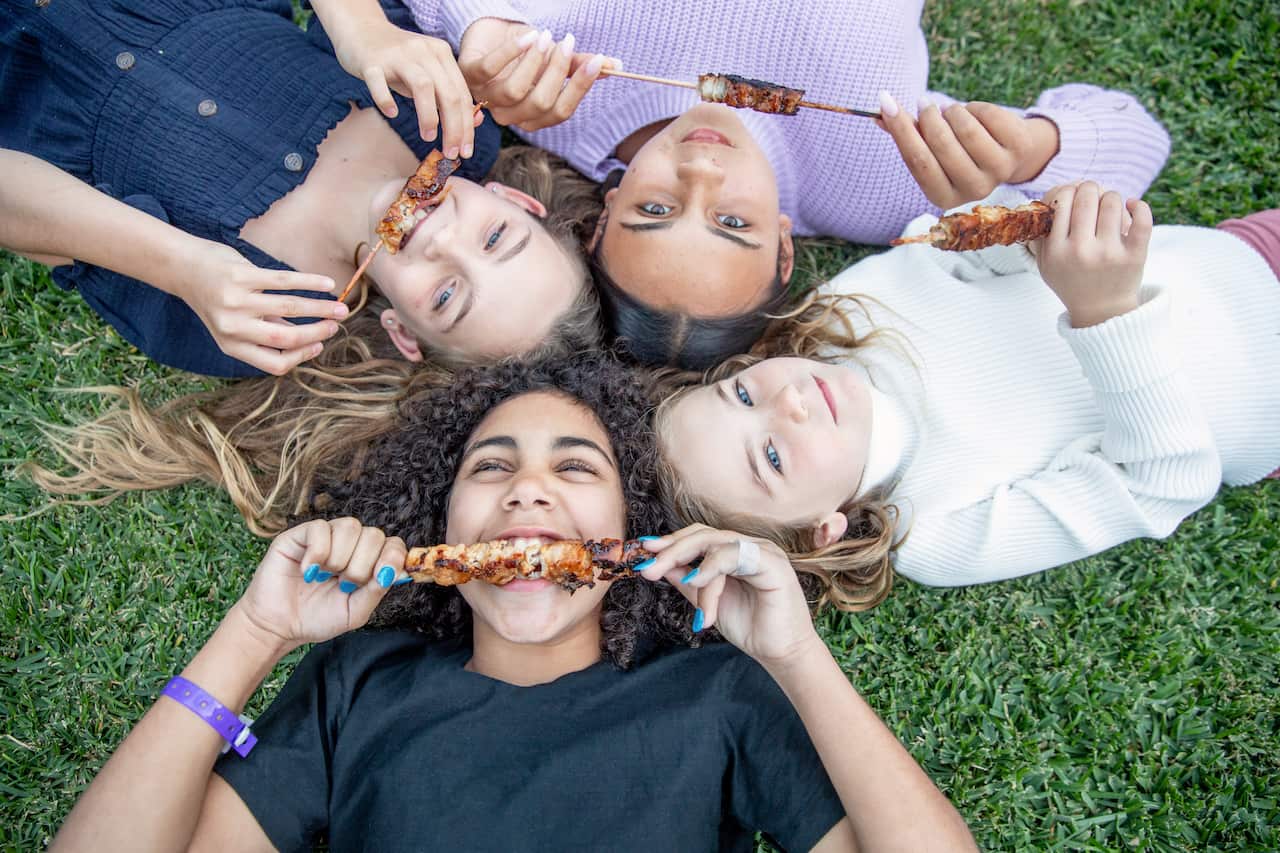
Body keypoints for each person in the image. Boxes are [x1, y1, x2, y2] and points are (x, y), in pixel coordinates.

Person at [47, 354, 978, 852]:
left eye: (576, 469)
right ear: (443, 521)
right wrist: (253, 632)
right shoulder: (356, 684)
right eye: (490, 468)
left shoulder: (720, 696)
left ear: (632, 531)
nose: (528, 490)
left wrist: (797, 657)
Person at [387, 0, 1172, 366]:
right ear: (786, 249)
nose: (702, 170)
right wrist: (1033, 149)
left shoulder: (552, 97)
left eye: (656, 208)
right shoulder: (879, 189)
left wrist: (477, 24)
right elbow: (1137, 143)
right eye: (734, 223)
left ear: (603, 214)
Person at [650, 182, 1280, 596]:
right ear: (823, 530)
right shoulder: (936, 534)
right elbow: (1162, 482)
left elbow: (965, 248)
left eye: (742, 395)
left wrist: (1033, 234)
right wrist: (1104, 312)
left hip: (1241, 253)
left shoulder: (840, 313)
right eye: (772, 456)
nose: (788, 402)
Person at [0, 0, 596, 377]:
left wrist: (181, 267)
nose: (442, 241)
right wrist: (364, 27)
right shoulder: (448, 115)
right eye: (494, 237)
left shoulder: (264, 311)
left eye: (445, 296)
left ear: (402, 333)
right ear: (515, 200)